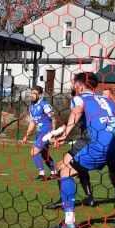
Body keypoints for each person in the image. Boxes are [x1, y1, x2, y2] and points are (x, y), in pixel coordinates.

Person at [49, 72, 115, 228]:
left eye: (73, 83)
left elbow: (76, 111)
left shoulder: (79, 98)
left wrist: (65, 134)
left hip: (101, 144)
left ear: (79, 85)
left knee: (65, 172)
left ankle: (69, 222)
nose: (72, 85)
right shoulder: (109, 101)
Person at [46, 82, 96, 210]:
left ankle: (64, 200)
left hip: (87, 139)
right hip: (91, 139)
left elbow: (75, 116)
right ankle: (89, 197)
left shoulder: (78, 101)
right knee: (81, 167)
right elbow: (69, 123)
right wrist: (58, 133)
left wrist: (62, 135)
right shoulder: (95, 103)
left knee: (61, 167)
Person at [22, 86, 57, 181]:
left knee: (33, 152)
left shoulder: (44, 105)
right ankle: (54, 173)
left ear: (40, 95)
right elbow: (32, 122)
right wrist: (27, 135)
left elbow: (53, 119)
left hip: (45, 134)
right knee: (45, 156)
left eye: (34, 93)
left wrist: (53, 134)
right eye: (31, 93)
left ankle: (41, 174)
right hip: (38, 134)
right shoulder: (31, 107)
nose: (32, 95)